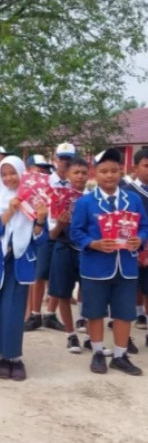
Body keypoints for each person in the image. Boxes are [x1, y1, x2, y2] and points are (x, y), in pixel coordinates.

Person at [71, 148, 148, 376]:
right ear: (95, 173)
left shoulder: (132, 199)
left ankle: (120, 355)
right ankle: (97, 352)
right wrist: (93, 244)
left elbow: (144, 226)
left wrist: (139, 240)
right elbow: (76, 232)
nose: (110, 175)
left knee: (124, 312)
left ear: (121, 171)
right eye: (104, 171)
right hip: (95, 266)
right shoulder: (86, 202)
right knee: (95, 311)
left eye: (114, 171)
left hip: (126, 265)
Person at [0, 156, 48, 381]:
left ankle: (14, 358)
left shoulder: (35, 201)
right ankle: (1, 355)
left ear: (22, 175)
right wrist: (9, 212)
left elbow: (41, 240)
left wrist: (39, 220)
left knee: (13, 310)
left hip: (19, 261)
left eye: (13, 173)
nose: (9, 178)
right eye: (4, 174)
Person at [47, 157, 89, 354]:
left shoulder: (92, 197)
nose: (80, 177)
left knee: (89, 290)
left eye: (83, 173)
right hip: (63, 247)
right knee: (63, 292)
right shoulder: (59, 198)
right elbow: (52, 234)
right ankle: (70, 335)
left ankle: (90, 334)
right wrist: (61, 224)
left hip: (87, 250)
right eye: (76, 173)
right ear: (67, 175)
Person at [25, 153, 64, 332]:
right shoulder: (31, 187)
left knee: (58, 275)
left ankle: (50, 314)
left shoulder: (66, 183)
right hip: (41, 232)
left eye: (45, 170)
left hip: (62, 232)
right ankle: (34, 314)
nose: (42, 173)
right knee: (38, 274)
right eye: (38, 169)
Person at [123, 148, 148, 345]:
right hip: (132, 250)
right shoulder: (128, 193)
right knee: (128, 293)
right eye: (146, 166)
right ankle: (126, 336)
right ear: (135, 167)